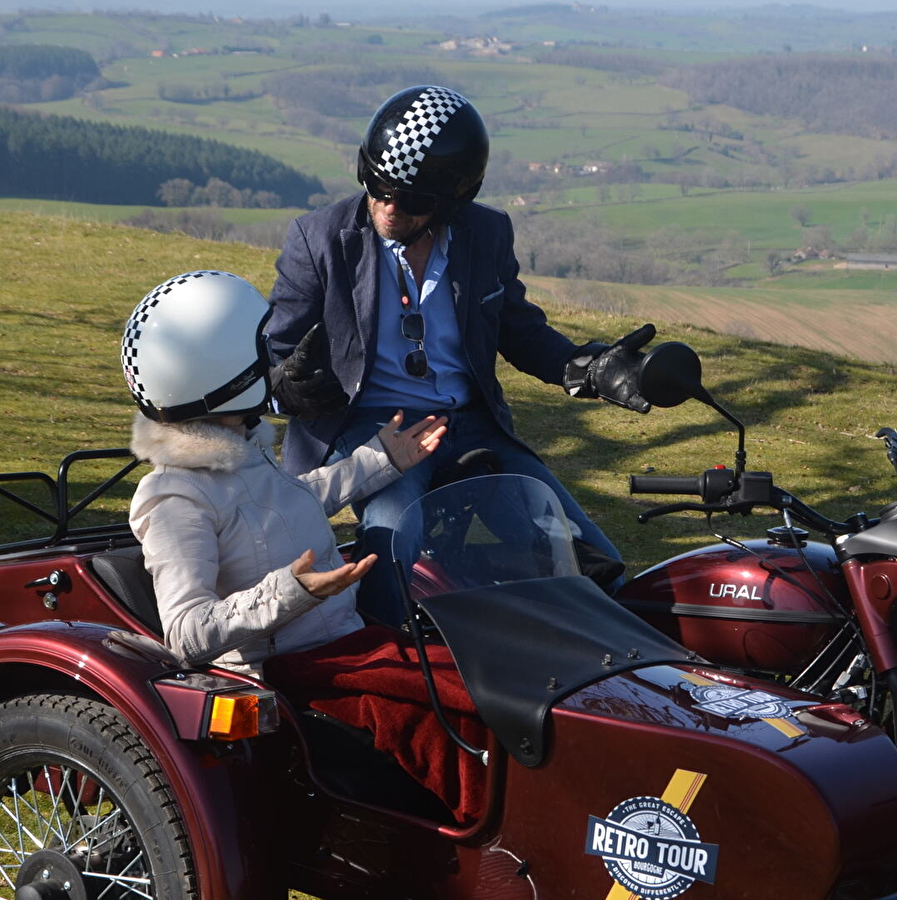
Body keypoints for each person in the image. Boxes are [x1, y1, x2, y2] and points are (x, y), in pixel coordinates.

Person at [263, 84, 649, 626]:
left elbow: (518, 330)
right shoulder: (317, 239)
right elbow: (276, 352)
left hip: (470, 422)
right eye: (378, 187)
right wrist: (287, 384)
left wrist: (586, 368)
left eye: (412, 200)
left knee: (586, 557)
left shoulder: (486, 233)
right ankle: (389, 663)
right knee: (392, 543)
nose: (389, 207)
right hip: (373, 423)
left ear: (452, 201)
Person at [122, 270, 486, 821]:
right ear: (222, 371)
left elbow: (285, 504)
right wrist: (291, 591)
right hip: (291, 678)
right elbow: (188, 632)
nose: (270, 363)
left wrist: (380, 460)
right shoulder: (174, 496)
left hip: (346, 648)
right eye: (257, 352)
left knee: (488, 679)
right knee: (459, 724)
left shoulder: (236, 450)